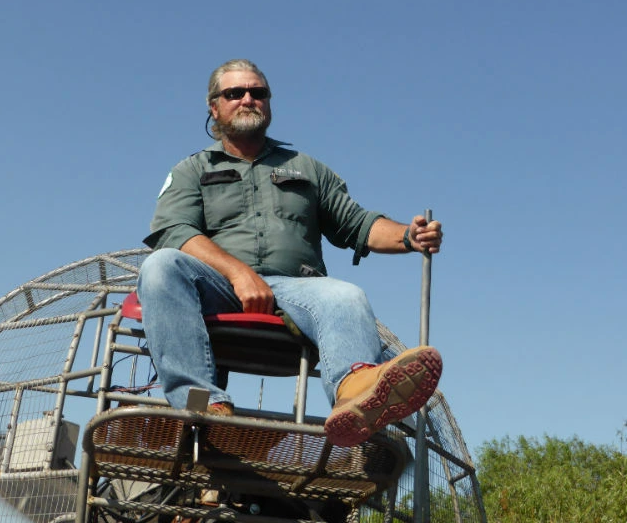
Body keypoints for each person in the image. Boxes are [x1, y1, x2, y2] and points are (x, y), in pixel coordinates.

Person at [137, 59, 443, 447]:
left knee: (345, 294)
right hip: (217, 285)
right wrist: (239, 274)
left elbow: (357, 224)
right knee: (161, 265)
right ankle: (203, 405)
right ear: (214, 107)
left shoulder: (308, 169)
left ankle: (357, 394)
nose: (248, 99)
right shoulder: (191, 170)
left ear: (269, 103)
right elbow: (174, 231)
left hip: (297, 287)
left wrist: (408, 236)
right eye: (235, 93)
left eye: (258, 92)